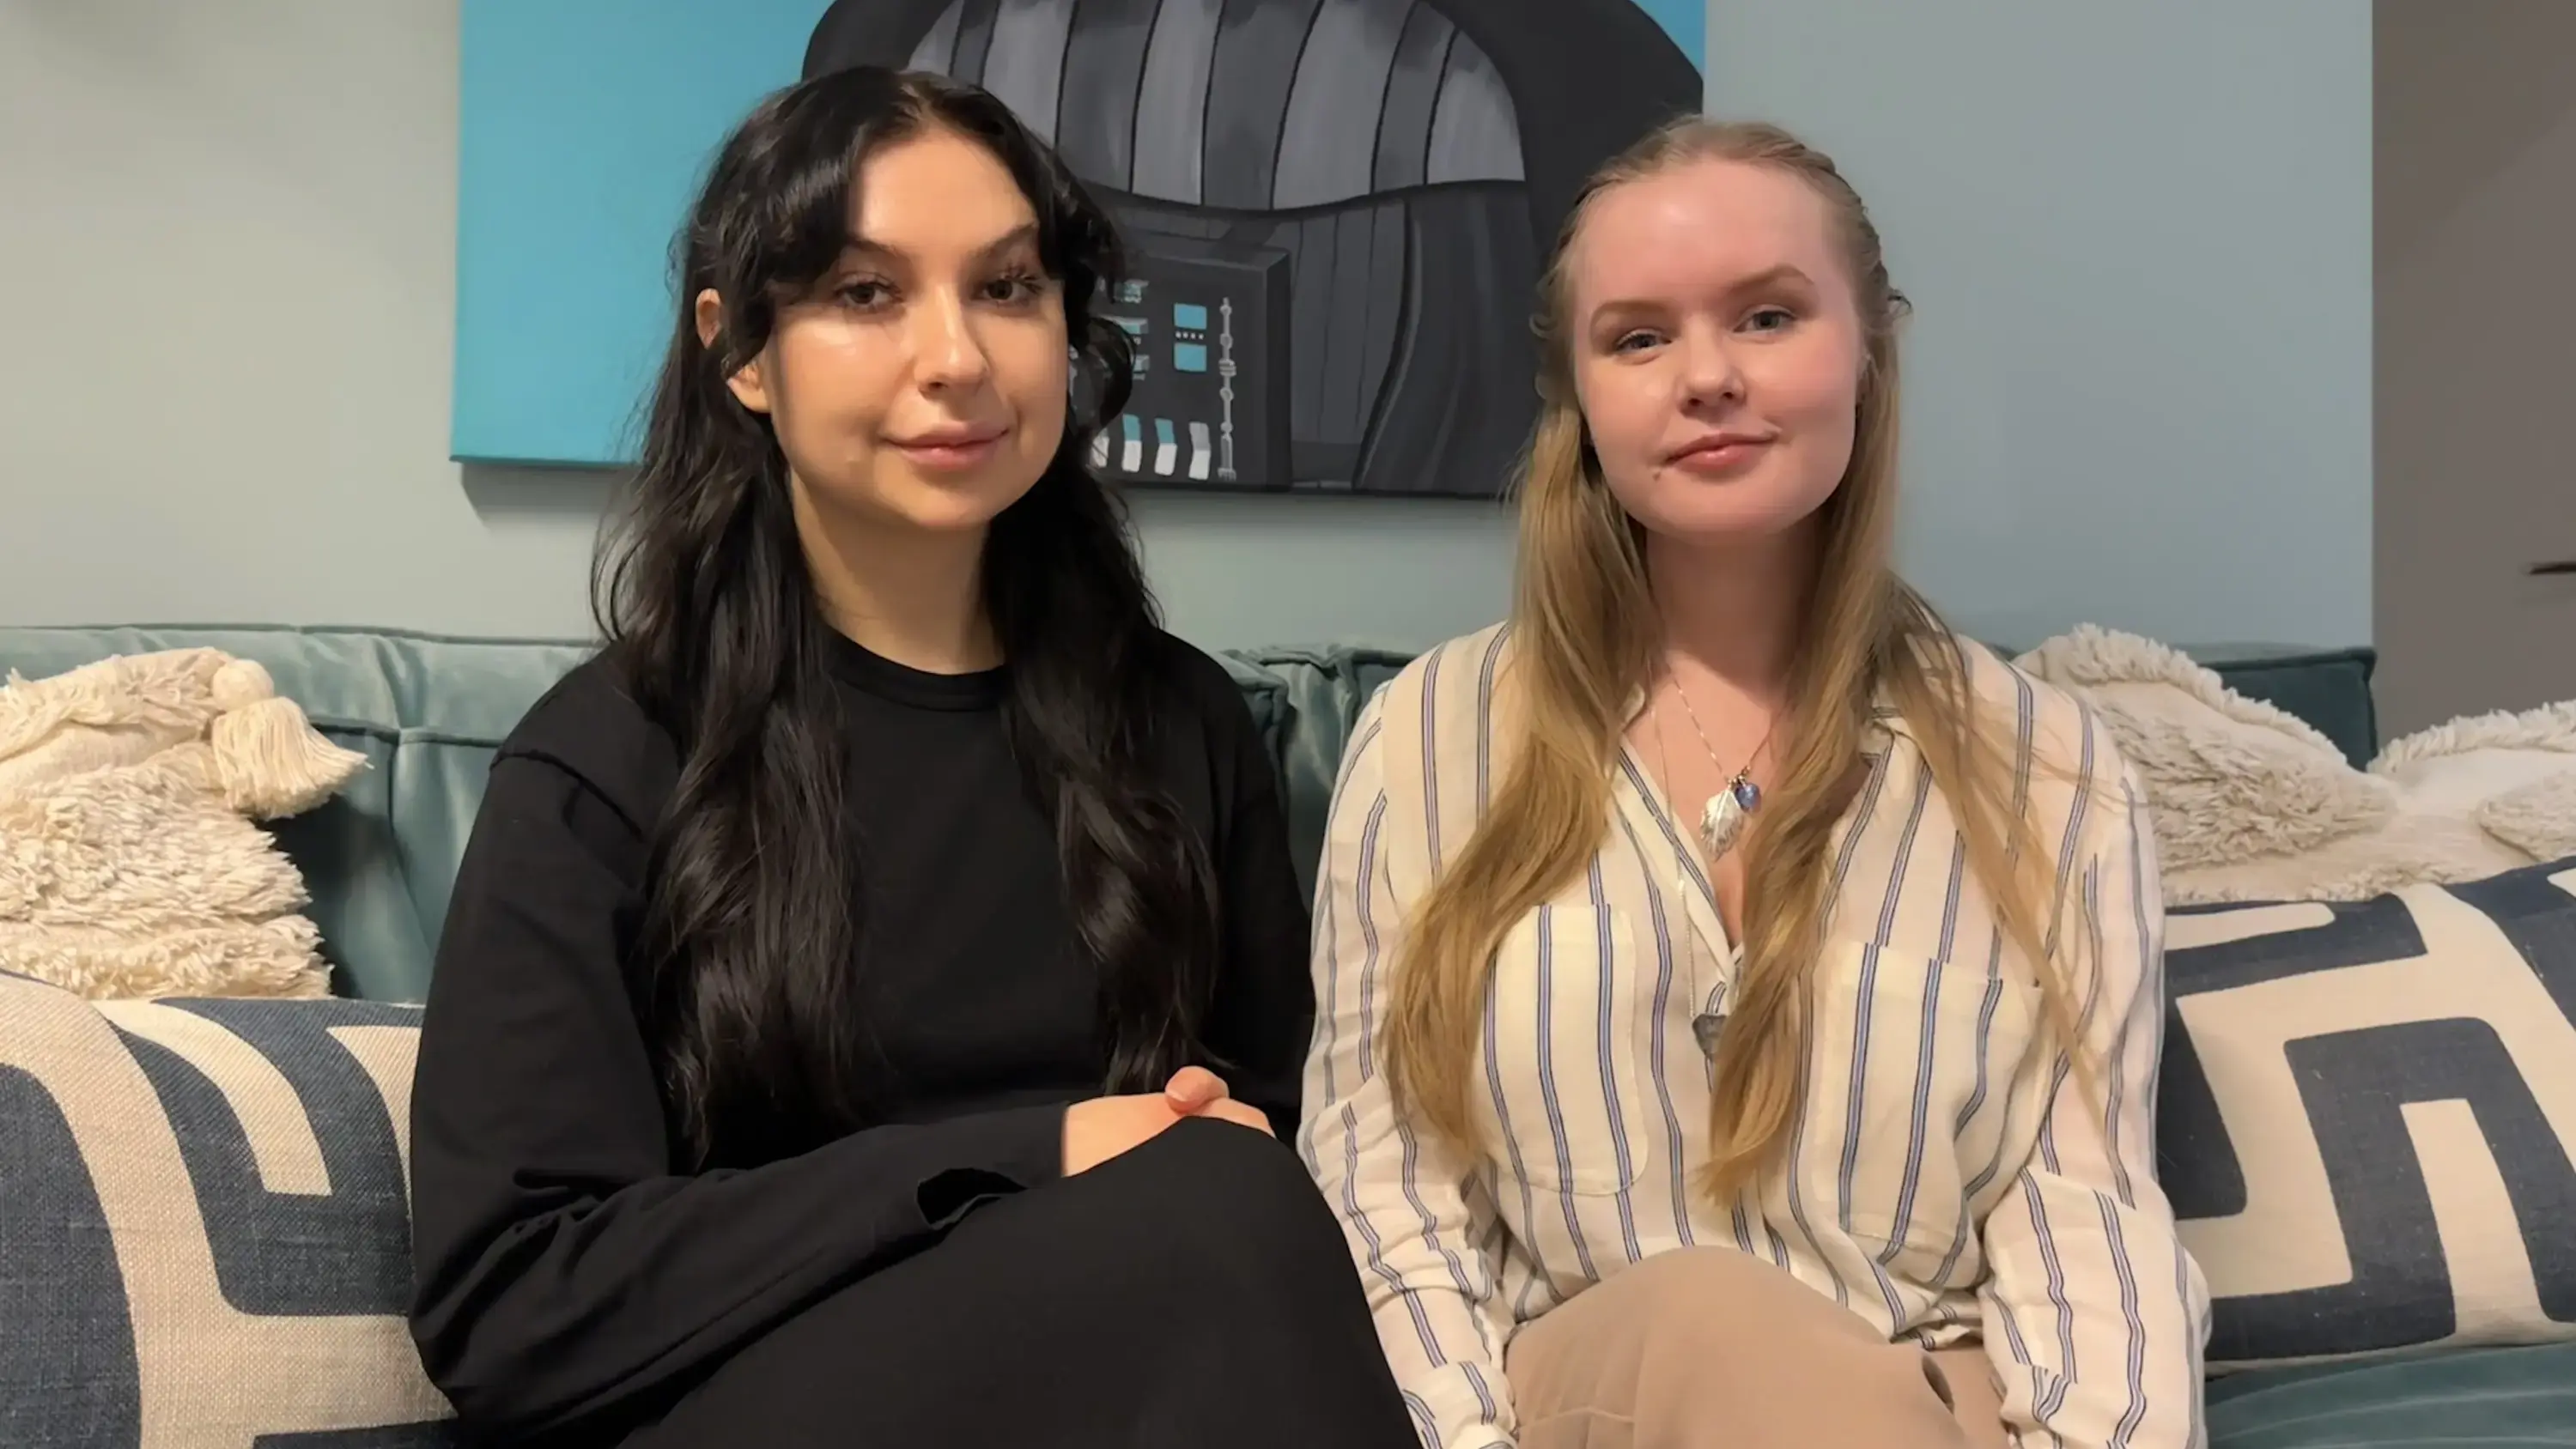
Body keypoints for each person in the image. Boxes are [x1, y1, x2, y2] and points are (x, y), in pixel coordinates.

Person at [406, 64, 1417, 1449]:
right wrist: (1036, 1158)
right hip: (740, 1400)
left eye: (1007, 288)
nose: (956, 359)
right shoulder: (607, 760)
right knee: (1215, 1206)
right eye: (867, 294)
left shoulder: (1178, 729)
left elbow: (1286, 1163)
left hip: (1136, 1385)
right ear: (742, 351)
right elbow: (509, 1297)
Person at [1298, 116, 2213, 1449]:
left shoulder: (2053, 767)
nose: (1707, 377)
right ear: (1580, 398)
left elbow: (2088, 1213)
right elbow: (1383, 1192)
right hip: (1570, 1397)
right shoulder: (1427, 737)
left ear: (1869, 349)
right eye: (1639, 338)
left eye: (1769, 317)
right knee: (1715, 1322)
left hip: (1935, 1398)